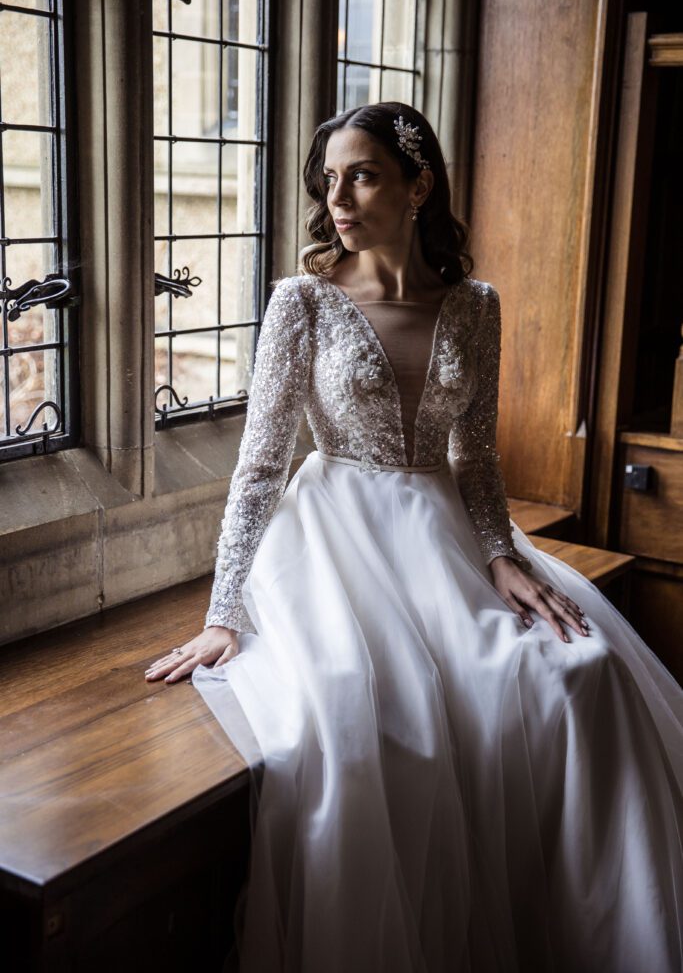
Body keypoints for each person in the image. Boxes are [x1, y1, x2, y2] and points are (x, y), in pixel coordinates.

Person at [144, 102, 683, 972]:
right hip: (333, 543)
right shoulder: (303, 301)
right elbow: (259, 466)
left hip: (447, 536)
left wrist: (502, 556)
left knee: (579, 673)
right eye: (329, 179)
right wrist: (225, 611)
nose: (338, 197)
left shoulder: (474, 304)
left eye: (360, 174)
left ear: (417, 185)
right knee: (367, 717)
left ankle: (600, 942)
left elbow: (475, 456)